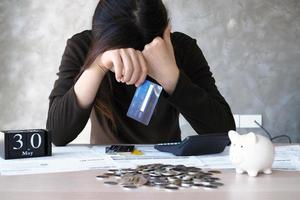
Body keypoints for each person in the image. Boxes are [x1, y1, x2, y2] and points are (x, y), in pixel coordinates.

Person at [46, 0, 235, 146]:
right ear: (100, 36)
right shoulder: (82, 47)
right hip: (104, 168)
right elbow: (56, 134)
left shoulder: (182, 49)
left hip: (164, 167)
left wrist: (171, 77)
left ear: (166, 32)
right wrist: (98, 66)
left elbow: (225, 132)